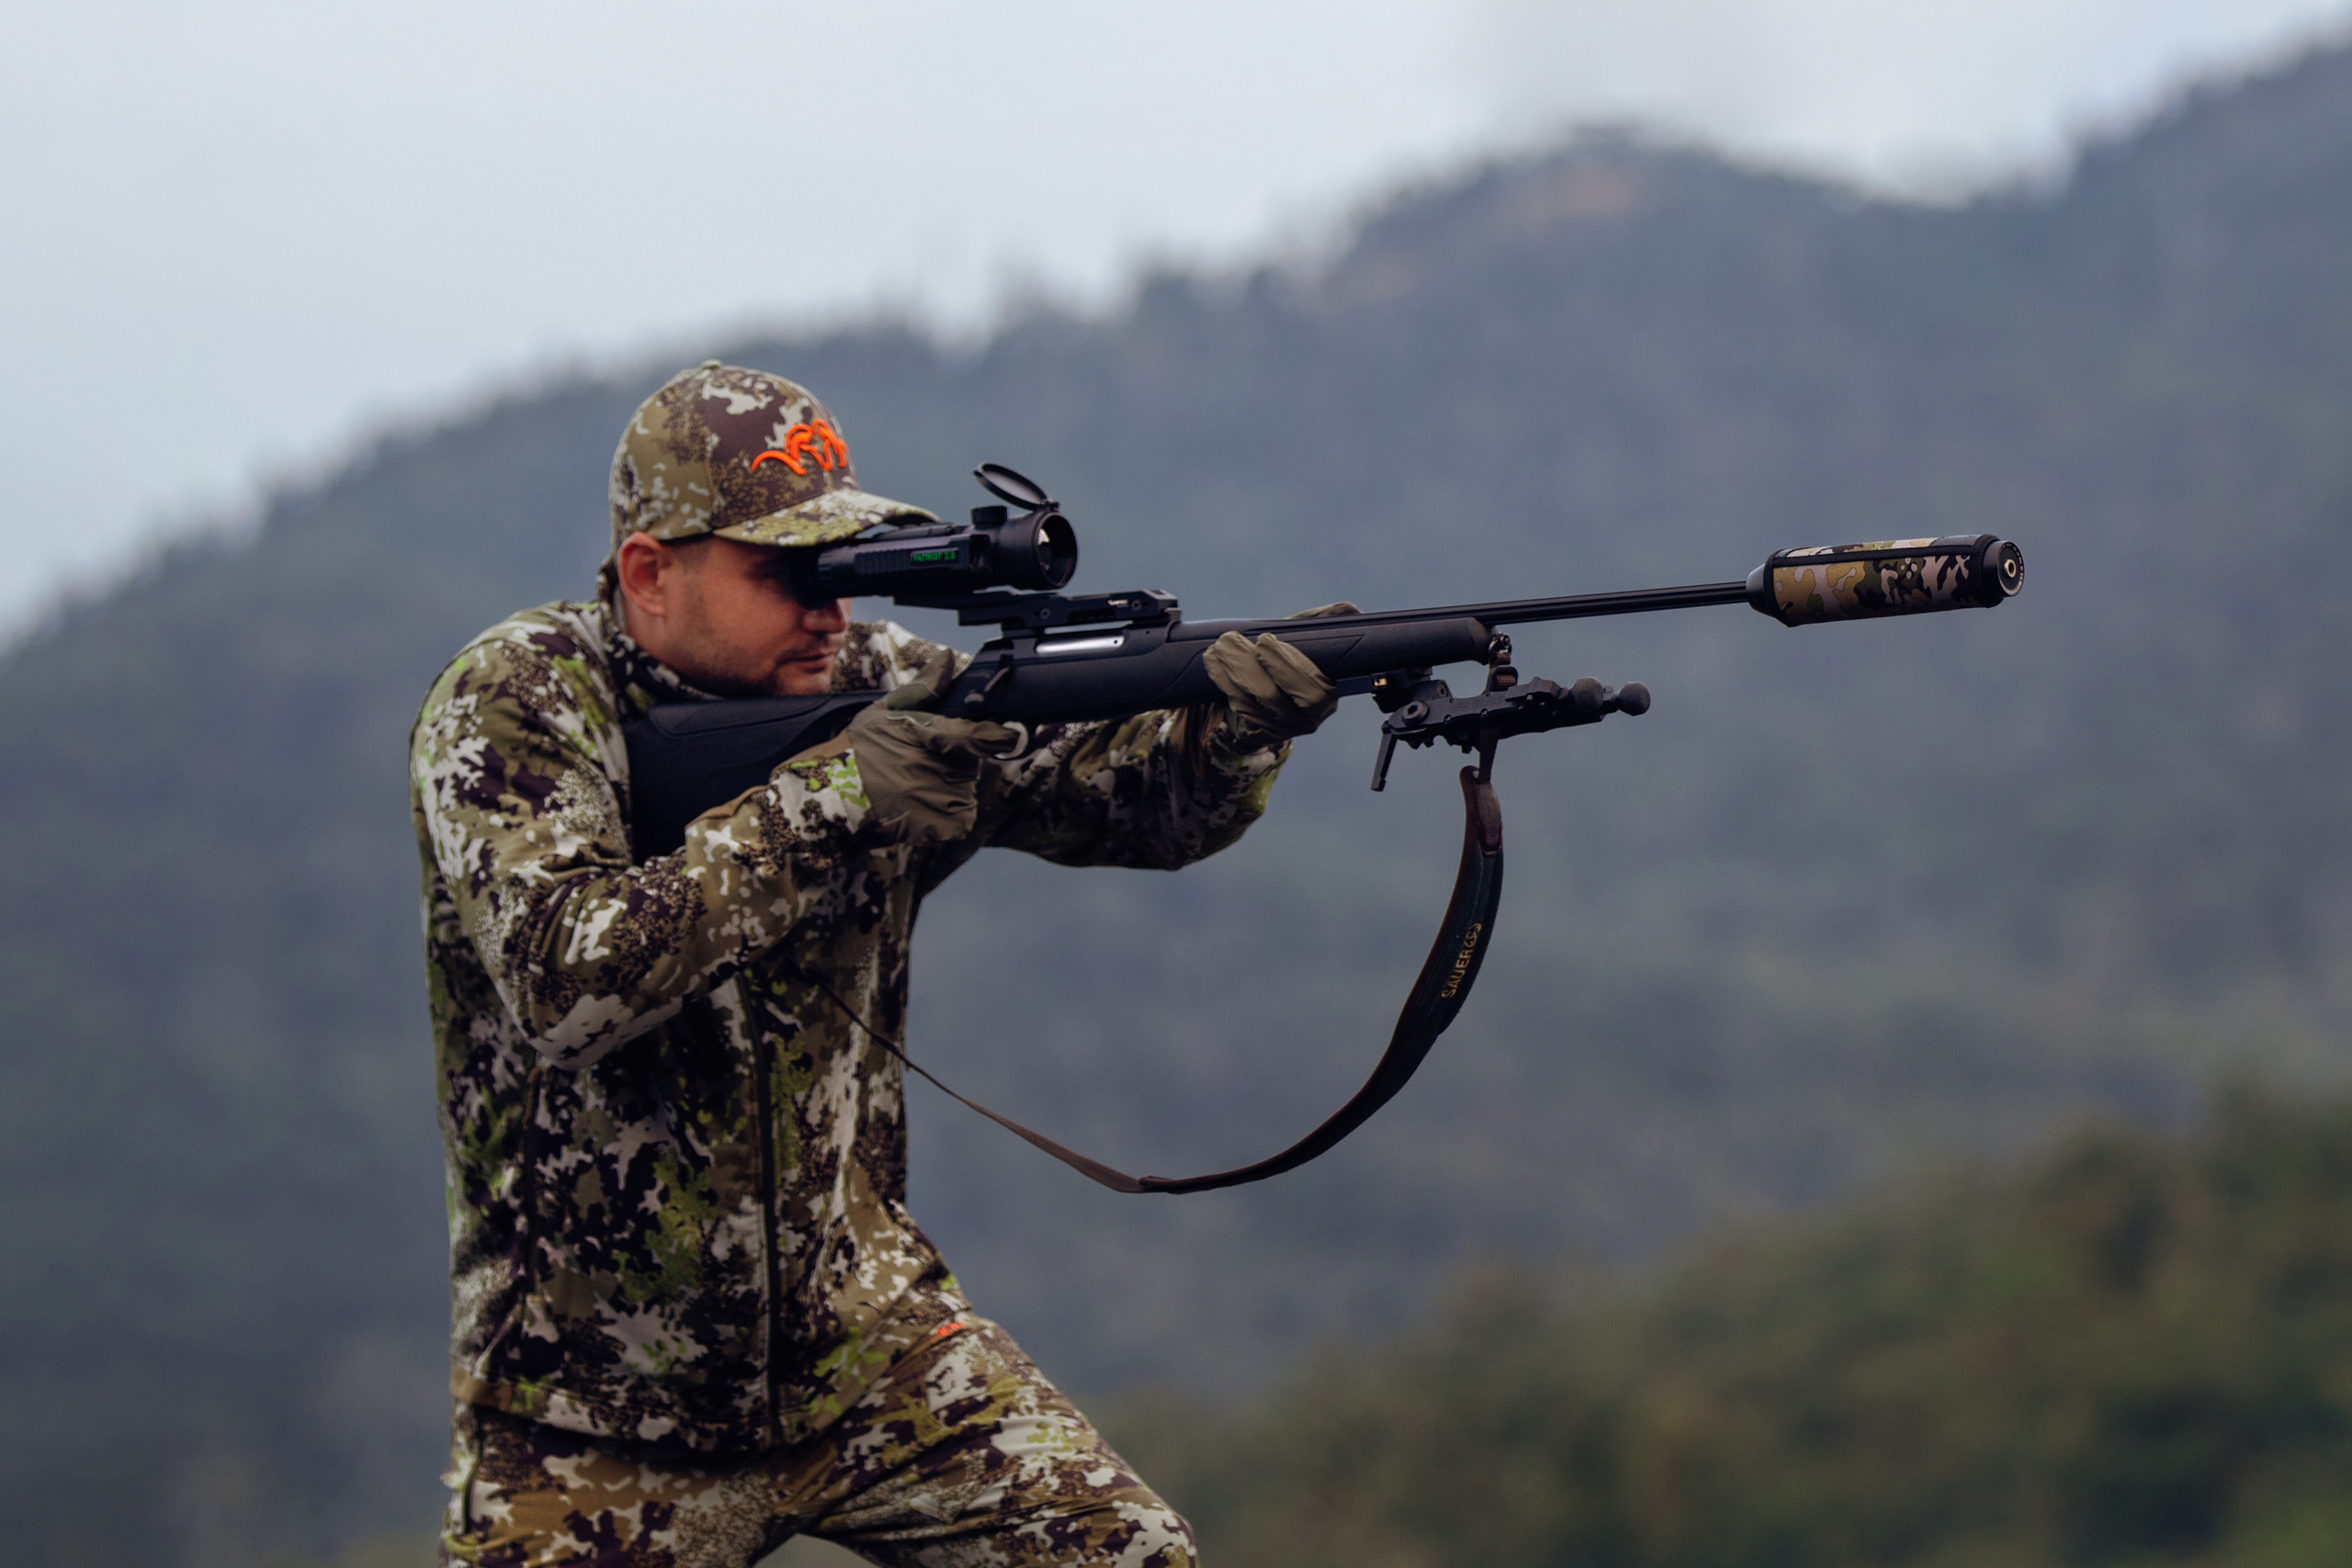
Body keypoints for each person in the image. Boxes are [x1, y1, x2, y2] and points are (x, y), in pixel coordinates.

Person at [409, 361, 1344, 1566]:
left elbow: (1128, 810)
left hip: (866, 1351)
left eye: (843, 569)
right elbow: (562, 978)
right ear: (650, 573)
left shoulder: (879, 688)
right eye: (788, 576)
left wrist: (1233, 734)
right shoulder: (519, 701)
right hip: (595, 1410)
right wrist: (832, 803)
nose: (830, 613)